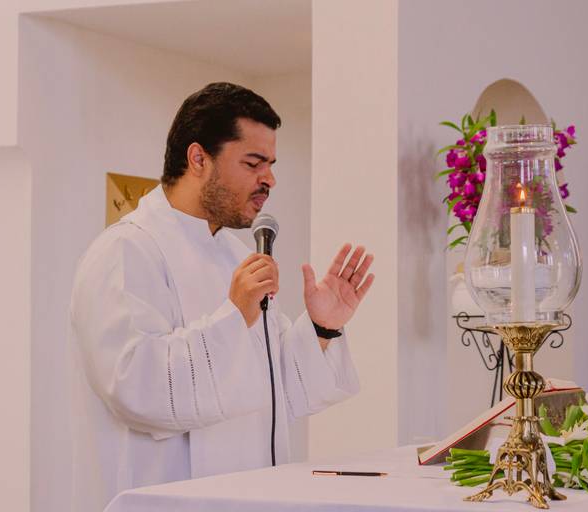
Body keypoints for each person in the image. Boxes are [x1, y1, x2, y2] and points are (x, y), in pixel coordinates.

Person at [68, 82, 375, 511]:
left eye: (270, 164)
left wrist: (323, 326)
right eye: (253, 163)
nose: (269, 179)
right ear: (198, 158)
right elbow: (133, 387)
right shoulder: (124, 252)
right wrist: (233, 316)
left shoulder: (237, 254)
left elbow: (273, 388)